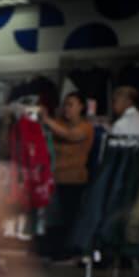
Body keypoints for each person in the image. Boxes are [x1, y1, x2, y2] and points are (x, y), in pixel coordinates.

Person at [40, 92, 94, 259]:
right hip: (54, 179)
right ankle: (52, 250)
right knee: (53, 219)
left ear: (81, 107)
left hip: (73, 180)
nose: (66, 108)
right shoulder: (58, 124)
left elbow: (71, 135)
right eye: (65, 104)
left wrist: (47, 119)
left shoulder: (86, 127)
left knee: (68, 219)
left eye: (70, 104)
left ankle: (66, 252)